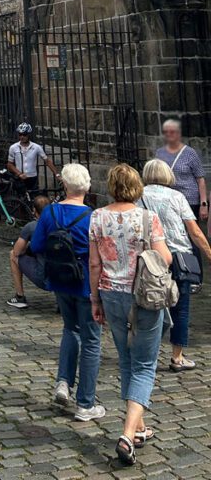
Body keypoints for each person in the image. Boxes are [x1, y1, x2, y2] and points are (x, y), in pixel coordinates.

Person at [89, 164, 172, 466]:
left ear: (111, 186)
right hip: (144, 296)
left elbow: (94, 264)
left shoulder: (97, 217)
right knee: (145, 364)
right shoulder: (148, 218)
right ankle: (126, 434)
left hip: (111, 293)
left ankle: (138, 428)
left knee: (126, 359)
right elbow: (164, 258)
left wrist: (94, 298)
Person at [30, 165, 103, 421]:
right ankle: (85, 403)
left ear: (64, 186)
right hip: (86, 283)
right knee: (92, 340)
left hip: (61, 281)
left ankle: (63, 382)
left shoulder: (50, 211)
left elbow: (37, 244)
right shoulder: (93, 216)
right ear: (88, 187)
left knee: (70, 330)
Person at [139, 158, 211, 373]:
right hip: (178, 258)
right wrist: (208, 253)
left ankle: (144, 353)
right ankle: (177, 357)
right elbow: (195, 231)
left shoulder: (138, 196)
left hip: (150, 258)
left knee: (148, 304)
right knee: (181, 309)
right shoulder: (176, 197)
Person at [155, 119, 207, 224]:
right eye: (166, 132)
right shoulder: (159, 153)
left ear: (179, 133)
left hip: (190, 201)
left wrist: (203, 205)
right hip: (168, 201)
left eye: (172, 131)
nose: (169, 134)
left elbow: (200, 179)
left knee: (191, 233)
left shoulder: (190, 153)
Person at [6, 195, 51, 309]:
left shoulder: (32, 227)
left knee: (12, 255)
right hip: (64, 274)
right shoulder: (61, 223)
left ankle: (20, 296)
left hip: (45, 277)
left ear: (34, 211)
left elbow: (17, 251)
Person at [7, 123, 60, 195]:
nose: (22, 137)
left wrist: (57, 175)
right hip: (19, 178)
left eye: (24, 134)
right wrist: (19, 173)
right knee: (20, 200)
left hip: (32, 178)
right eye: (20, 134)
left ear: (29, 135)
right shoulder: (13, 147)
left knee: (34, 199)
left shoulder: (36, 147)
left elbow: (47, 161)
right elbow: (9, 164)